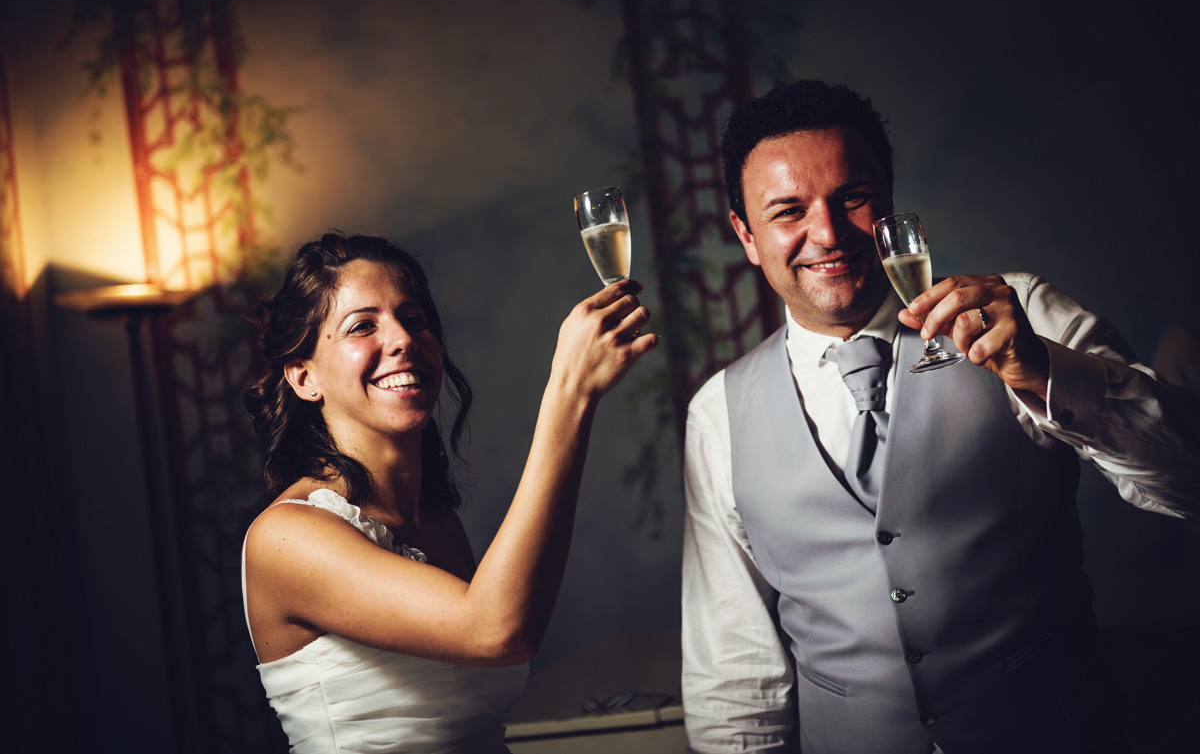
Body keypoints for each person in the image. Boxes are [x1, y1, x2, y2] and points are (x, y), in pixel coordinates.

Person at [680, 79, 1200, 754]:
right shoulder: (716, 415)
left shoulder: (1024, 313)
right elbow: (735, 676)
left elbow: (1188, 480)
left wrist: (1044, 372)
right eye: (788, 211)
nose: (827, 233)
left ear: (892, 204)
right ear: (747, 236)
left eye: (852, 197)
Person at [241, 231, 657, 753]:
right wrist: (569, 393)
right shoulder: (287, 538)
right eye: (362, 326)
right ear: (304, 378)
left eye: (414, 319)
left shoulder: (437, 522)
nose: (403, 339)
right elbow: (496, 631)